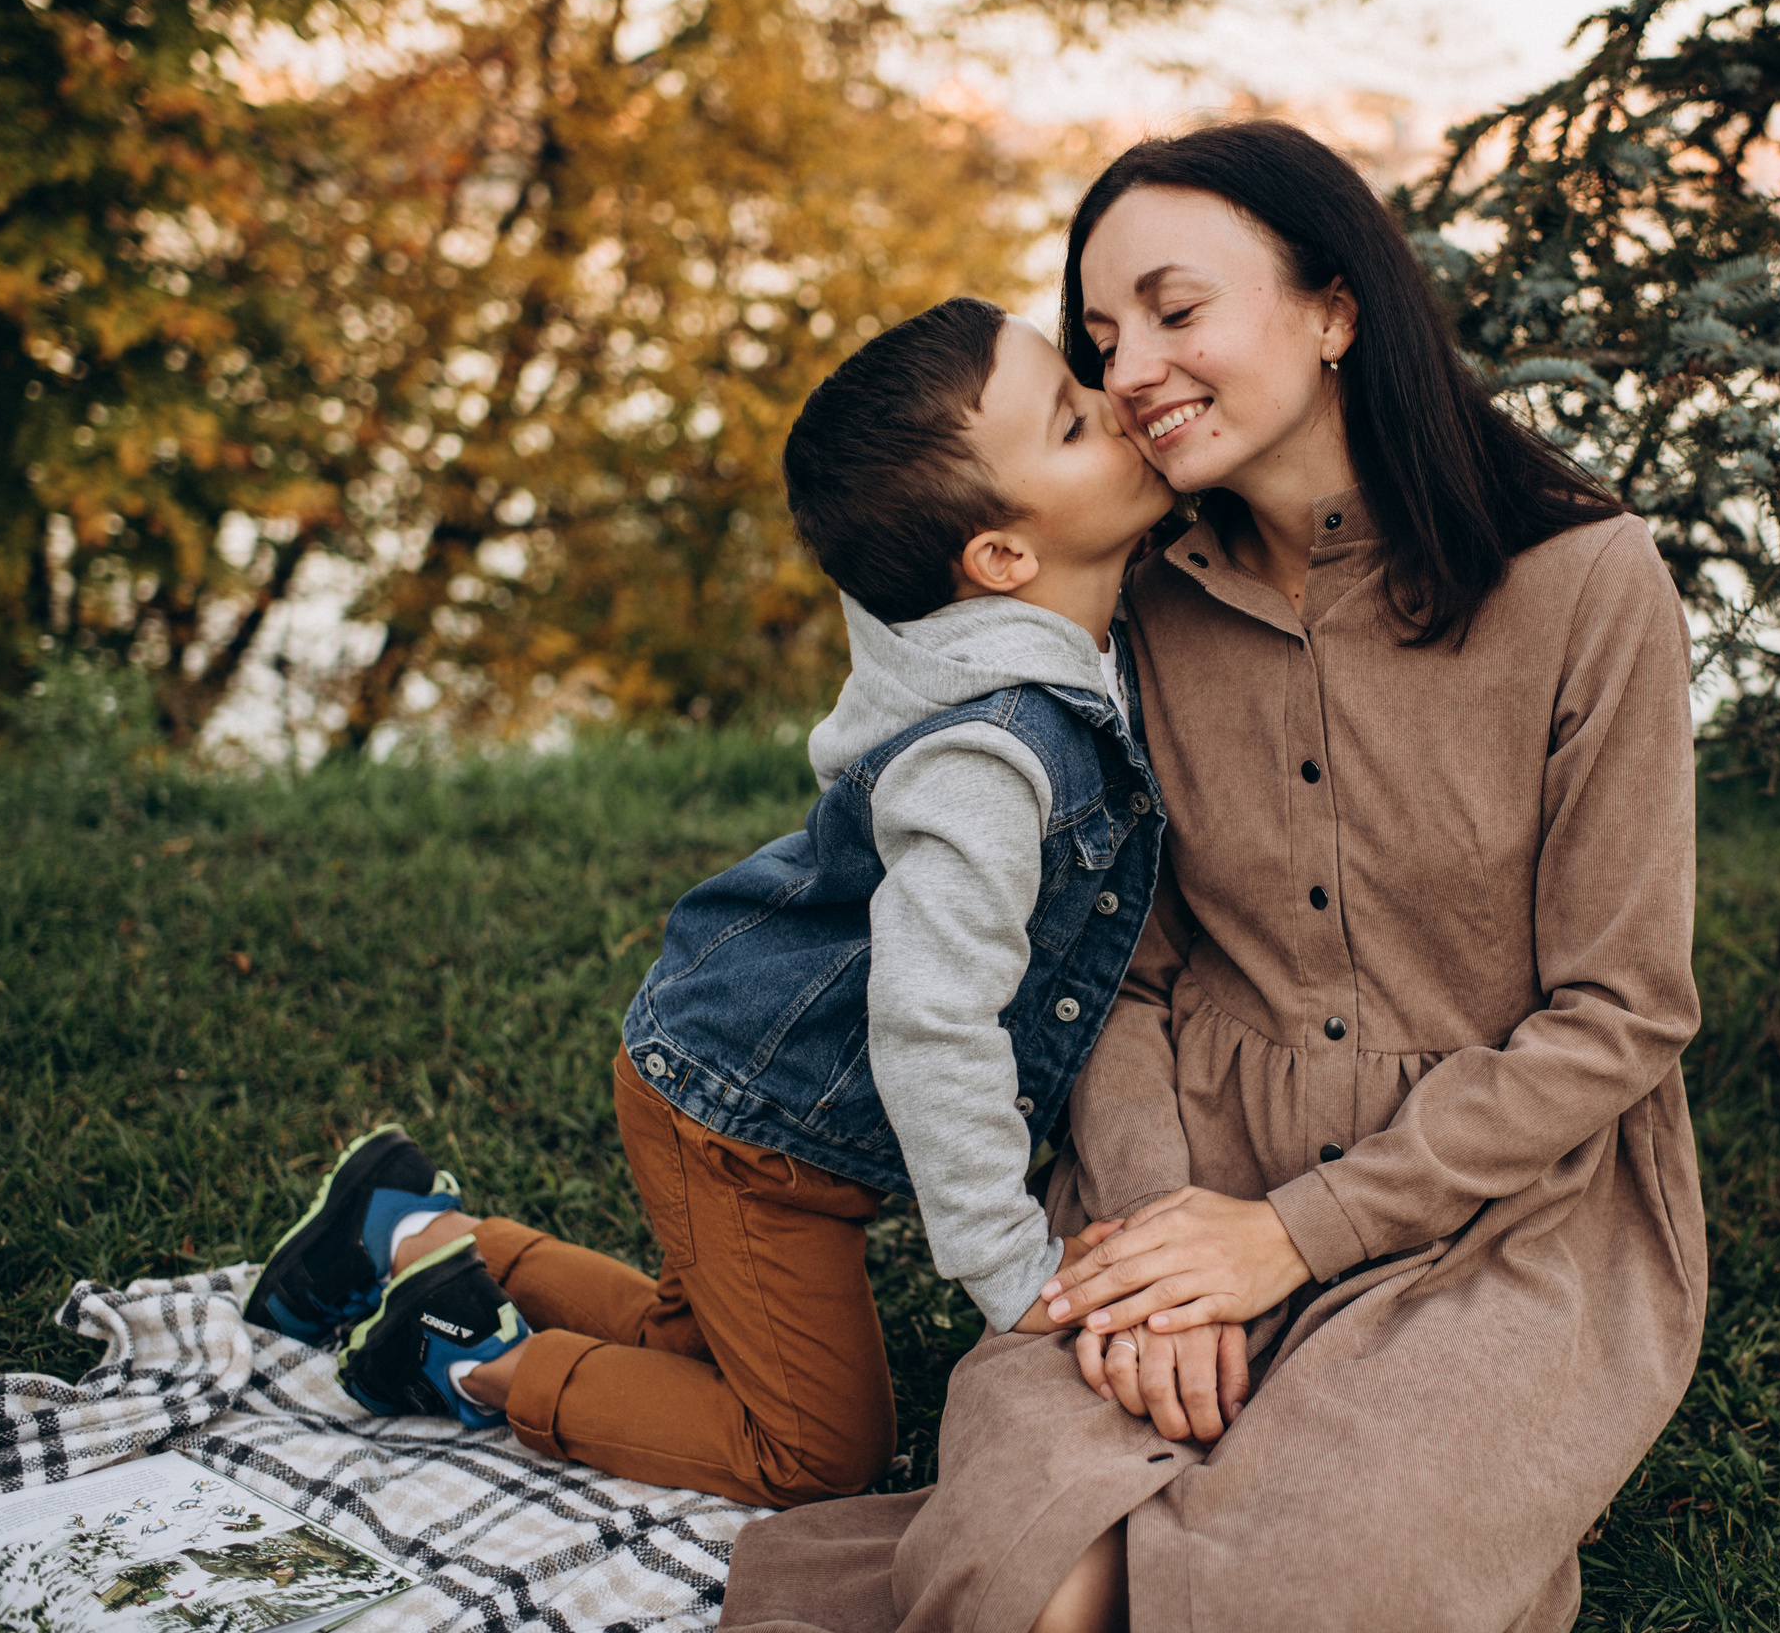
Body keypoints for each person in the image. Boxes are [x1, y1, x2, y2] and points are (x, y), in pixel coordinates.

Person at [718, 120, 1706, 1633]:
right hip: (1179, 1162)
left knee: (1307, 1592)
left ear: (1333, 309)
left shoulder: (1586, 581)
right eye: (1101, 338)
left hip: (1503, 1203)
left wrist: (1291, 1240)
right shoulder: (1130, 608)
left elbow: (1620, 1014)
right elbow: (1125, 971)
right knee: (1029, 1583)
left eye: (1176, 312)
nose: (1129, 372)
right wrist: (1158, 1240)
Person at [240, 298, 1176, 1508]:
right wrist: (1009, 1266)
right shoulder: (989, 764)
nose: (1116, 398)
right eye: (1070, 419)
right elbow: (931, 1026)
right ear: (1000, 561)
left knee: (694, 1350)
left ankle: (407, 1235)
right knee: (813, 1456)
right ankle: (467, 1360)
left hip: (741, 1085)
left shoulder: (1028, 644)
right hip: (743, 1134)